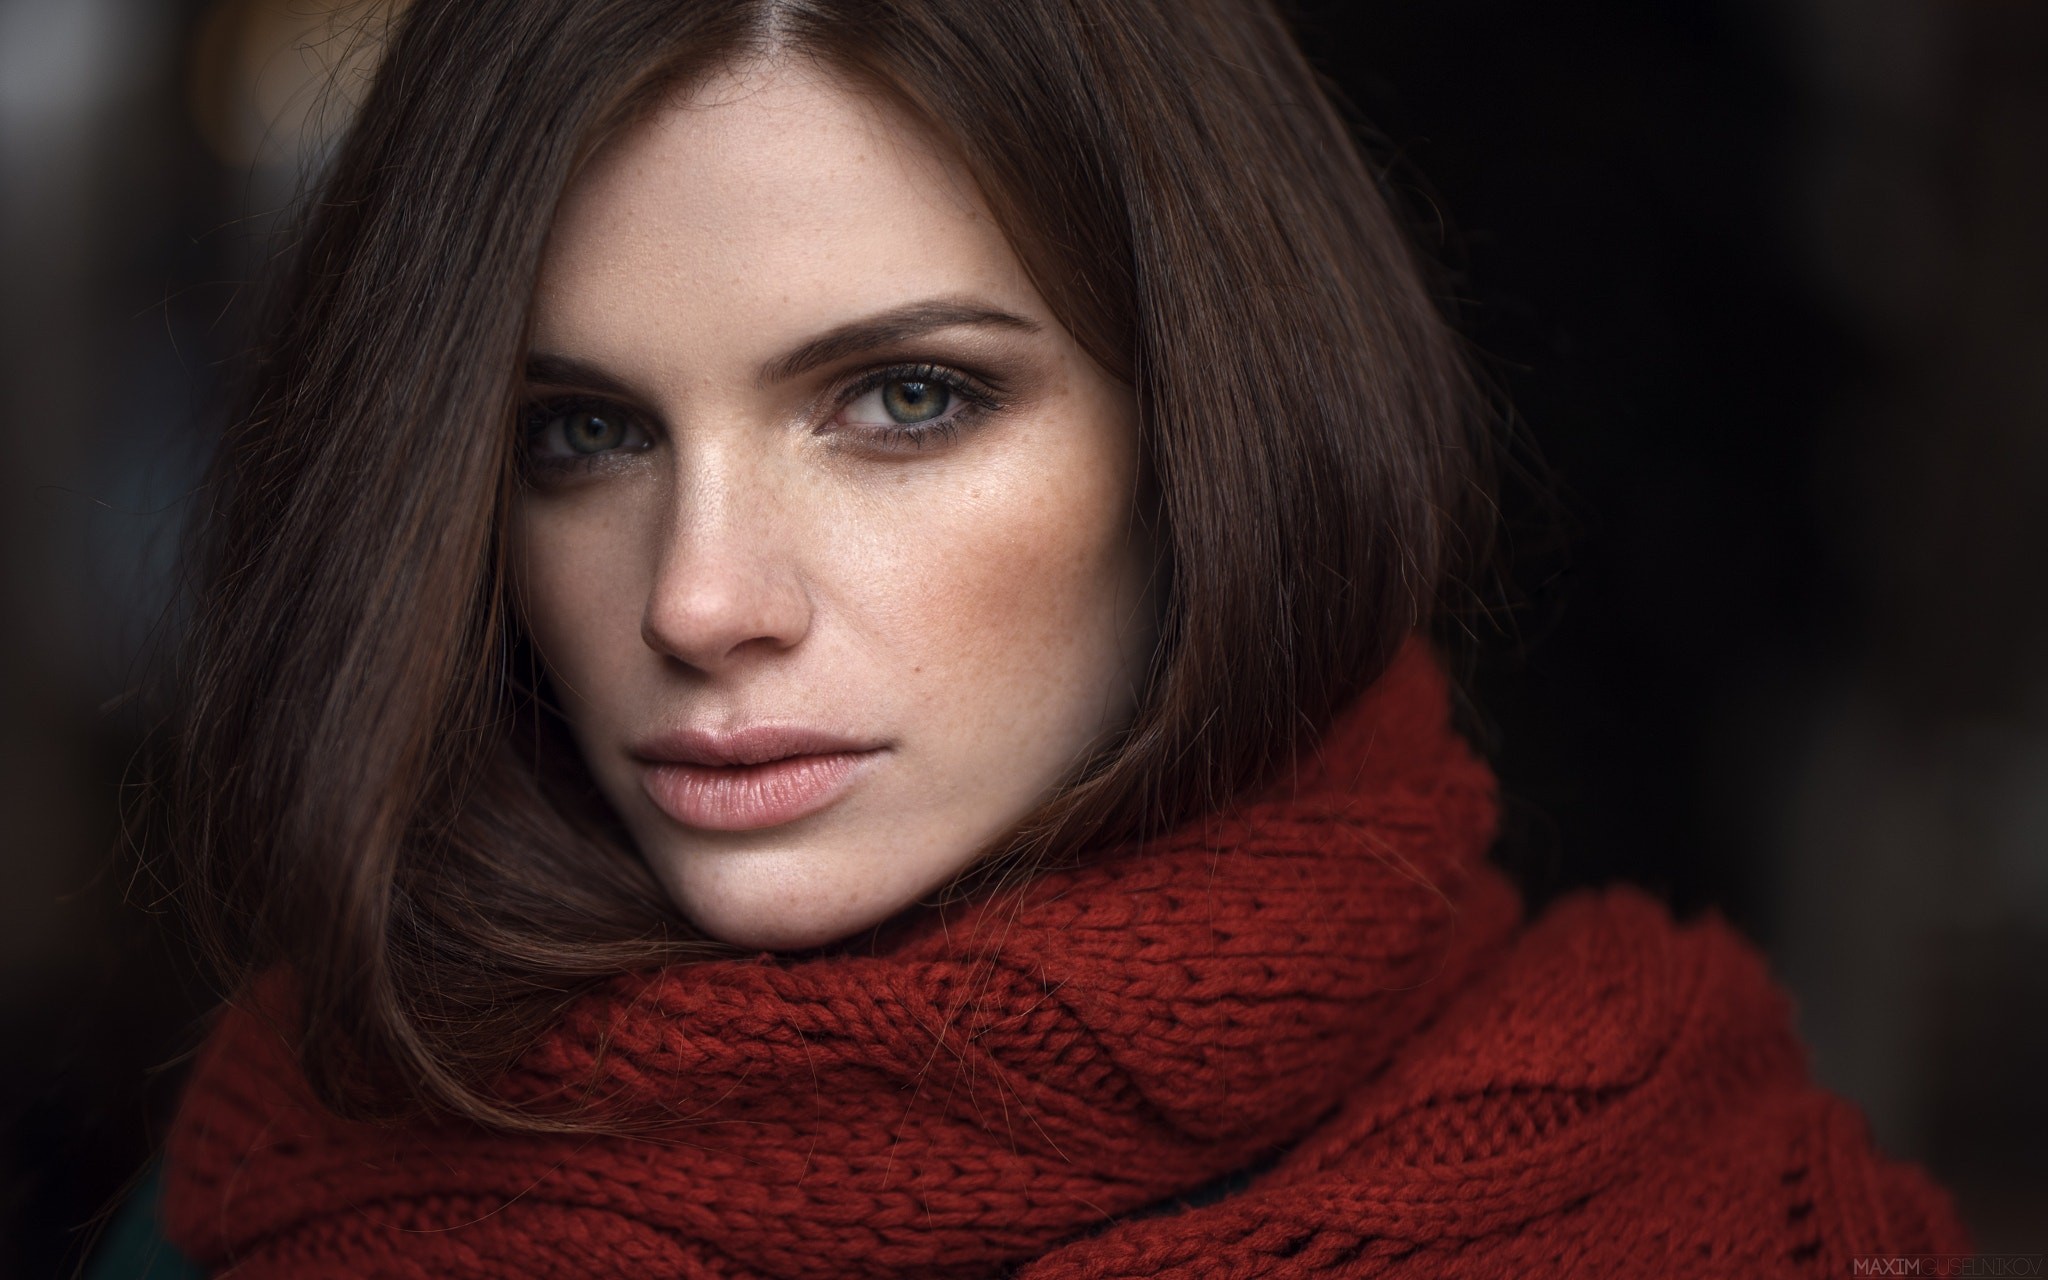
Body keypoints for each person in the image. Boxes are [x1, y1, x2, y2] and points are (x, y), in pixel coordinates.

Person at [108, 0, 1970, 1275]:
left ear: (1206, 427)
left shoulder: (1692, 1200)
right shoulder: (275, 1182)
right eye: (580, 433)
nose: (697, 599)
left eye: (904, 401)